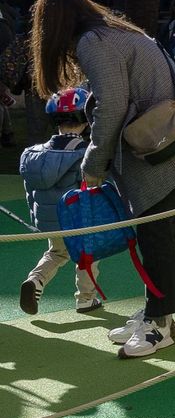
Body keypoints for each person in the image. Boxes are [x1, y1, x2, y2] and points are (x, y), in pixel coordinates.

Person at [30, 0, 175, 357]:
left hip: (157, 149)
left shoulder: (92, 42)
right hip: (170, 138)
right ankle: (159, 312)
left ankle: (160, 324)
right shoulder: (115, 32)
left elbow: (112, 106)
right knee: (160, 232)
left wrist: (93, 164)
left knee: (156, 234)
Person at [18, 87, 102, 314]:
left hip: (50, 221)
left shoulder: (34, 154)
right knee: (87, 255)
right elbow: (91, 187)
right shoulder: (85, 154)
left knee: (57, 253)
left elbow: (31, 191)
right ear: (86, 120)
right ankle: (86, 299)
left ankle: (35, 281)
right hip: (77, 220)